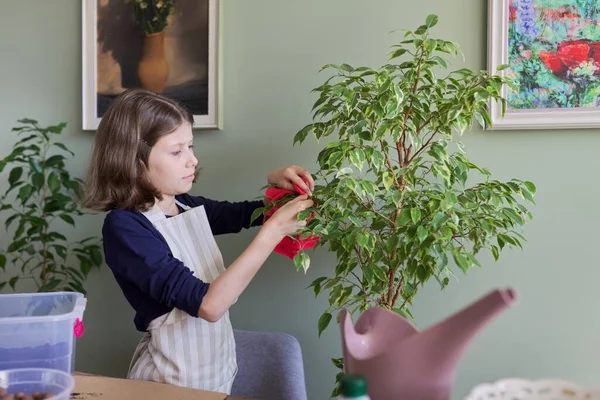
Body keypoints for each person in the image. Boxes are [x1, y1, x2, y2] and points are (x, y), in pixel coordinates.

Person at [82, 88, 314, 394]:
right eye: (177, 151)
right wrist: (271, 234)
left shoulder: (184, 204)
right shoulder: (125, 227)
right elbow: (209, 305)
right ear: (134, 161)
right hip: (168, 383)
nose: (192, 160)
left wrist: (274, 184)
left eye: (190, 146)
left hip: (215, 374)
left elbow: (243, 214)